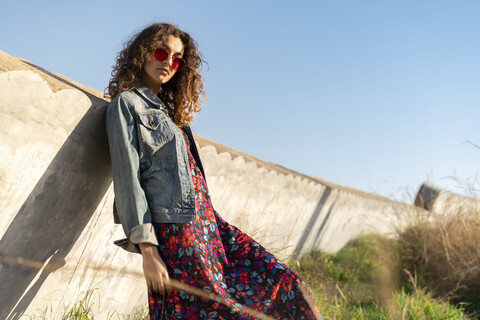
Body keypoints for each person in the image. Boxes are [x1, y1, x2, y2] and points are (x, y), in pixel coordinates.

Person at [105, 22, 321, 320]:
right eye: (160, 52)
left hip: (209, 225)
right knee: (222, 311)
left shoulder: (171, 114)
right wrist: (148, 251)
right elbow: (128, 182)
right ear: (143, 53)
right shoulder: (125, 106)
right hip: (179, 235)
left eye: (177, 59)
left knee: (285, 282)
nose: (168, 62)